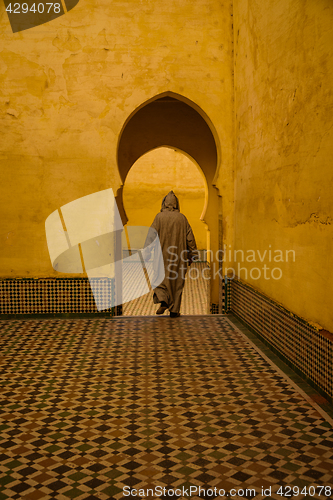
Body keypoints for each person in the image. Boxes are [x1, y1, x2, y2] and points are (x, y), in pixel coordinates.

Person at [144, 191, 197, 317]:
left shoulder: (159, 217)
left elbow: (151, 235)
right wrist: (192, 254)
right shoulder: (182, 218)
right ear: (176, 204)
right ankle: (174, 311)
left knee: (159, 279)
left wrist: (146, 253)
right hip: (179, 258)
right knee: (177, 283)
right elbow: (190, 238)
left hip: (160, 256)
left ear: (164, 203)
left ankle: (163, 299)